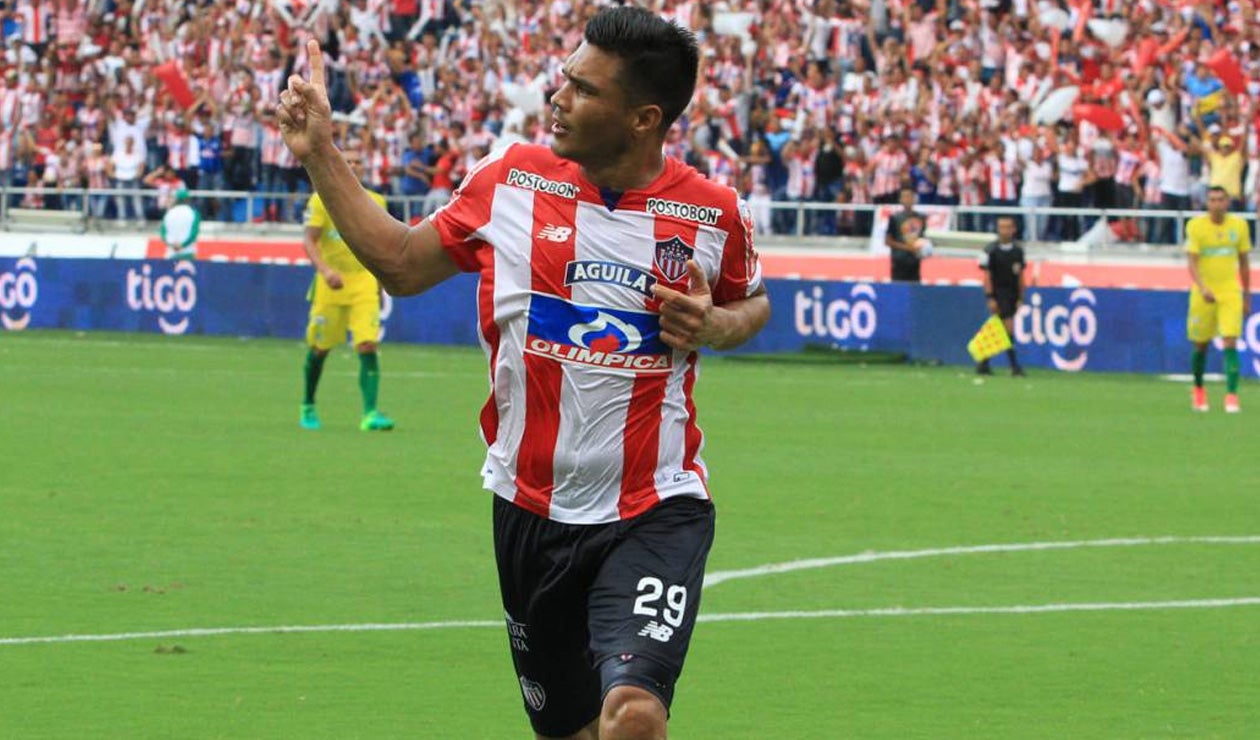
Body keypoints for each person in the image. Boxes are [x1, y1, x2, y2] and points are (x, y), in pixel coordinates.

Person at [277, 7, 769, 738]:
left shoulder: (710, 212)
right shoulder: (510, 180)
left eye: (582, 89)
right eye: (563, 79)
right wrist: (321, 151)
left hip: (653, 505)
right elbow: (402, 265)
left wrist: (715, 323)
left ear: (644, 118)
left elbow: (751, 303)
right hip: (527, 510)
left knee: (633, 714)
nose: (557, 97)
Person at [298, 150, 396, 432]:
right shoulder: (320, 200)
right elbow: (310, 240)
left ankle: (370, 413)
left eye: (358, 161)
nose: (353, 165)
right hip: (331, 283)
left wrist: (380, 283)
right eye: (348, 161)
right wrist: (325, 271)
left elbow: (381, 246)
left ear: (365, 168)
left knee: (367, 344)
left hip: (363, 281)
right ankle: (308, 405)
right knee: (319, 348)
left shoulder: (377, 202)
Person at [1185, 185, 1250, 413]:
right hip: (1204, 292)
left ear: (1227, 202)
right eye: (1212, 200)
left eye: (1221, 200)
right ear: (1207, 203)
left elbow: (1243, 262)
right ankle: (1199, 389)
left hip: (1230, 291)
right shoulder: (1195, 226)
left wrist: (1247, 295)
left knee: (1230, 340)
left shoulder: (1239, 226)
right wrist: (1203, 288)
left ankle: (1231, 395)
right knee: (1200, 344)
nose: (1216, 204)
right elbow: (1192, 261)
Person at [976, 214, 1026, 377]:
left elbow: (1020, 275)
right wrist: (990, 296)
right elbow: (987, 276)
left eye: (1007, 227)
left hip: (1012, 293)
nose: (1004, 231)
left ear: (1013, 229)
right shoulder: (990, 250)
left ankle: (984, 362)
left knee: (999, 328)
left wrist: (1021, 296)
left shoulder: (1018, 251)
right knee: (1008, 327)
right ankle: (1014, 366)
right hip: (999, 292)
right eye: (1001, 227)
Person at [885, 185, 929, 283]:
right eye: (905, 197)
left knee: (914, 289)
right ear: (900, 200)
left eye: (910, 196)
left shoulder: (921, 218)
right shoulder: (895, 218)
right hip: (899, 261)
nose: (907, 199)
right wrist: (907, 247)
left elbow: (924, 238)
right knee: (898, 289)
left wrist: (923, 247)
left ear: (914, 199)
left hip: (914, 261)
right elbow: (888, 241)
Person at [159, 188, 200, 261]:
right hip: (188, 252)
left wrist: (172, 245)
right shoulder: (193, 213)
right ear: (187, 199)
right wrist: (182, 245)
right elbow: (194, 233)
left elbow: (163, 233)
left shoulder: (168, 213)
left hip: (171, 253)